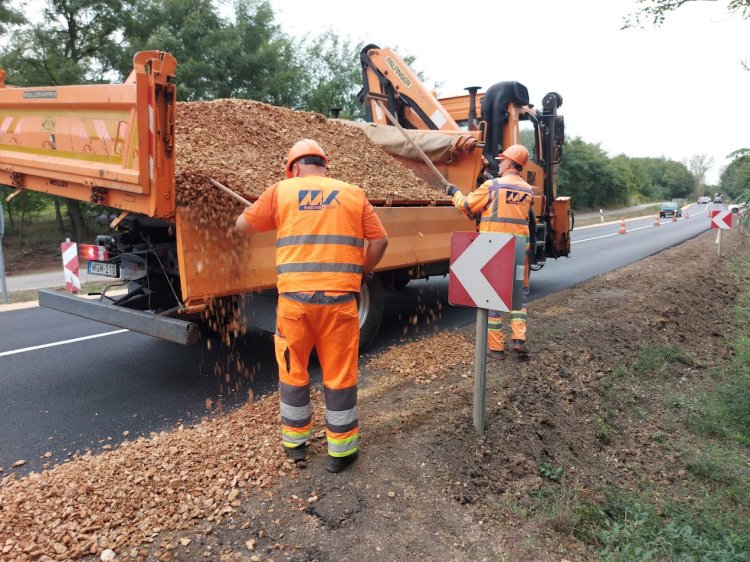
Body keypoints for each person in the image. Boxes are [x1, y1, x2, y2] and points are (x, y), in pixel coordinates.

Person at [236, 139, 389, 473]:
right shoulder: (353, 194)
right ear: (324, 165)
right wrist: (362, 270)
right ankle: (341, 451)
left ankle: (296, 446)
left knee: (293, 373)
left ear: (293, 167)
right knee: (339, 375)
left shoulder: (282, 192)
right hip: (340, 304)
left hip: (294, 306)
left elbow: (242, 227)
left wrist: (273, 216)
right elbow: (380, 240)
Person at [446, 144, 534, 359]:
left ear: (508, 162)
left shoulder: (492, 186)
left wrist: (454, 192)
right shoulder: (527, 190)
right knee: (517, 298)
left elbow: (467, 206)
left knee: (492, 298)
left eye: (502, 160)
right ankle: (518, 339)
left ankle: (496, 349)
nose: (499, 163)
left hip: (494, 249)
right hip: (519, 248)